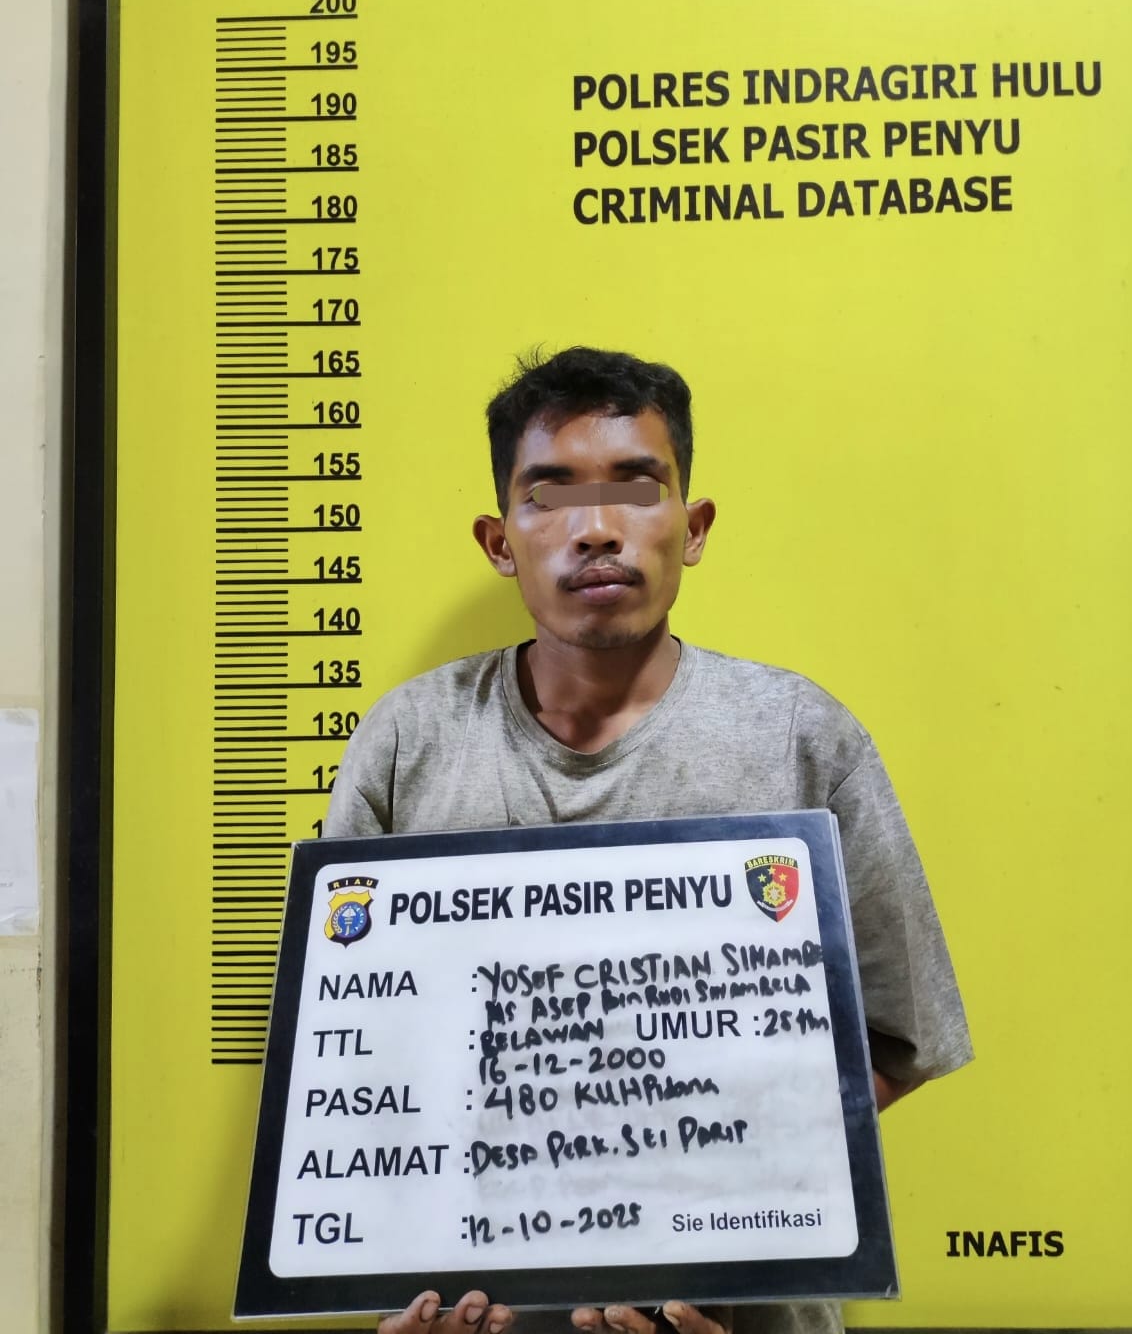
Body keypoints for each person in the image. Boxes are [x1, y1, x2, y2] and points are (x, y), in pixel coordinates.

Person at [324, 347, 972, 1334]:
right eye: (550, 497)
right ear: (500, 541)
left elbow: (900, 1036)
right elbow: (349, 1047)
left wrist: (697, 1192)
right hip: (476, 1301)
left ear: (693, 527)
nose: (596, 528)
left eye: (636, 489)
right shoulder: (408, 741)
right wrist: (409, 1263)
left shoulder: (800, 736)